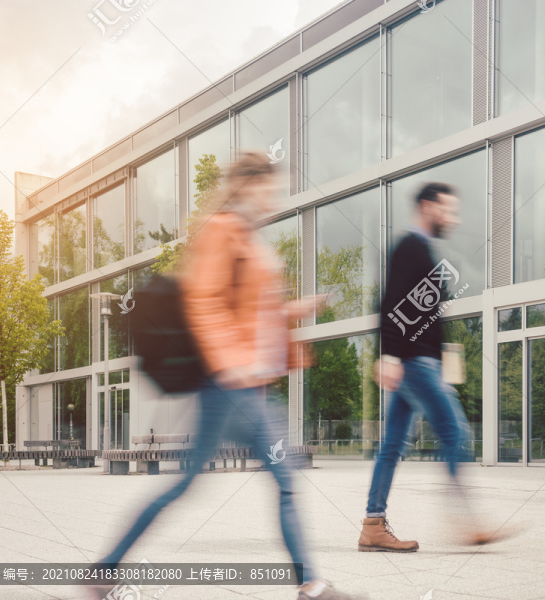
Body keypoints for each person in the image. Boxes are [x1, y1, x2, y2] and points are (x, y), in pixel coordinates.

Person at [88, 152, 360, 600]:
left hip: (247, 385)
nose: (272, 197)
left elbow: (254, 314)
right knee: (266, 481)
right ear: (245, 185)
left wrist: (298, 308)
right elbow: (204, 302)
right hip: (230, 386)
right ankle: (311, 584)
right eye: (266, 187)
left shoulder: (249, 238)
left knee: (230, 482)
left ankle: (105, 569)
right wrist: (231, 363)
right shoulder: (222, 230)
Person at [358, 183, 504, 553]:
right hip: (413, 363)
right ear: (427, 206)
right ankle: (467, 522)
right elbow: (391, 303)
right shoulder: (411, 247)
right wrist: (390, 355)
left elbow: (425, 314)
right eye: (447, 210)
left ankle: (373, 524)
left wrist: (441, 361)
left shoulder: (421, 250)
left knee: (392, 446)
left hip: (419, 361)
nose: (452, 218)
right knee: (455, 432)